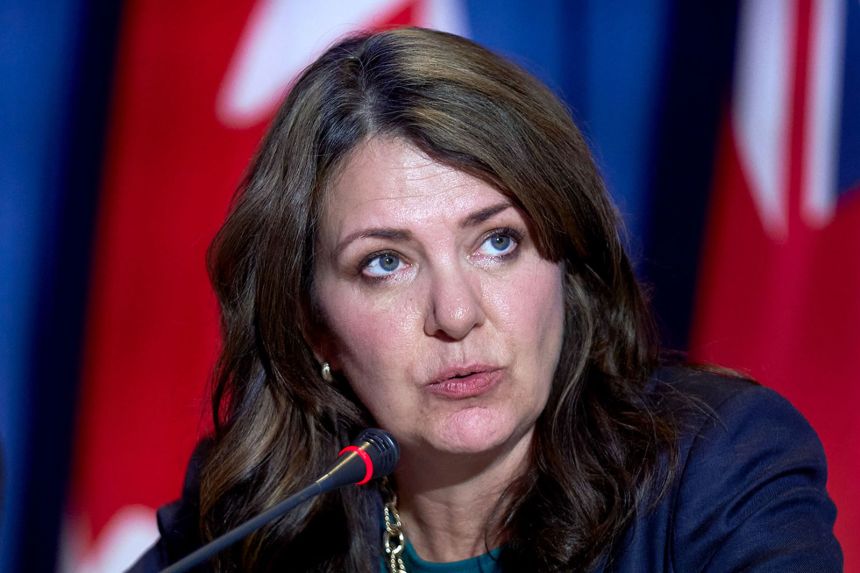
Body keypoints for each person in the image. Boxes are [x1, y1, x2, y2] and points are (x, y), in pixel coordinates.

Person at [130, 27, 841, 572]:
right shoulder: (256, 513)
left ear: (565, 255)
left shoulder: (720, 470)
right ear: (313, 325)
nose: (456, 313)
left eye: (496, 242)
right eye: (385, 263)